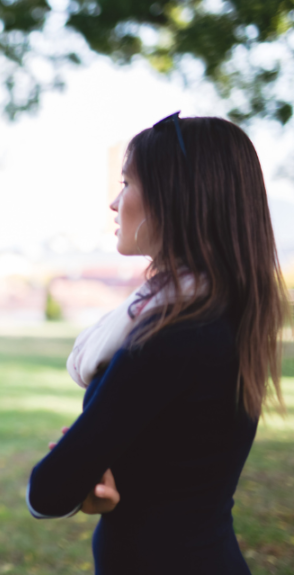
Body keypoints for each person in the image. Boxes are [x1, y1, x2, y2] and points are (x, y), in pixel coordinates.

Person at [26, 114, 289, 574]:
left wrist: (80, 468)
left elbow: (47, 492)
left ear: (175, 199)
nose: (114, 201)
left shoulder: (170, 336)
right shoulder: (226, 312)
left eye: (127, 184)